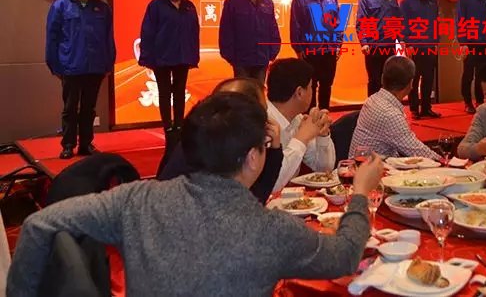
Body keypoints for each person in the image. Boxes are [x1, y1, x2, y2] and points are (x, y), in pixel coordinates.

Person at [7, 92, 384, 297]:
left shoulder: (137, 200)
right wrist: (360, 193)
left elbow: (39, 224)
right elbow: (345, 255)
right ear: (253, 157)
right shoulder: (270, 229)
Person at [158, 77, 283, 204]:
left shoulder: (212, 139)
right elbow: (249, 203)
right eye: (263, 111)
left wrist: (274, 151)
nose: (266, 120)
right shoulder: (210, 149)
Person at [45, 0, 116, 160]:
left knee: (89, 108)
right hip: (70, 65)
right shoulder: (60, 6)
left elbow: (108, 37)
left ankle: (86, 144)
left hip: (95, 65)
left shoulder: (102, 8)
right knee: (70, 108)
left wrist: (109, 62)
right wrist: (54, 65)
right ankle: (68, 145)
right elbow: (52, 37)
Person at [138, 0, 200, 134]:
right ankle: (167, 126)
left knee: (179, 92)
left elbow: (194, 33)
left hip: (182, 56)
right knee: (164, 93)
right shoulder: (156, 5)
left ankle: (179, 125)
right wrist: (147, 57)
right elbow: (147, 32)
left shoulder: (188, 6)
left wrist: (194, 56)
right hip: (161, 56)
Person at [349, 56, 440, 160]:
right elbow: (416, 151)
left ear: (382, 78)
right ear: (411, 83)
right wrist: (445, 162)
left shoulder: (372, 99)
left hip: (362, 164)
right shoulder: (390, 114)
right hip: (370, 167)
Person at [267, 58, 336, 192]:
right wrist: (301, 138)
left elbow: (324, 170)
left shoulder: (297, 119)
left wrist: (322, 135)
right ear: (299, 92)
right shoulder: (262, 122)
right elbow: (271, 184)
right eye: (311, 87)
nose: (313, 92)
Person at [290, 0, 343, 109]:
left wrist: (338, 44)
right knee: (310, 87)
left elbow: (337, 23)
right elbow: (295, 24)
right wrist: (298, 49)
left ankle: (324, 115)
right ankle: (310, 118)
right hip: (309, 50)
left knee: (327, 85)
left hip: (329, 49)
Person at [219, 0, 280, 84]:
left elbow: (273, 28)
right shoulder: (232, 2)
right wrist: (230, 56)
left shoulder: (267, 1)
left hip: (262, 58)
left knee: (258, 91)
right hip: (241, 59)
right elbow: (226, 31)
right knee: (243, 91)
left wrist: (273, 51)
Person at [400, 0, 441, 119]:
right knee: (414, 78)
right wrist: (408, 43)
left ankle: (426, 108)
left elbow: (436, 23)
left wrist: (436, 41)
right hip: (414, 45)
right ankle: (414, 109)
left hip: (430, 45)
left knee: (429, 78)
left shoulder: (432, 2)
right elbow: (403, 24)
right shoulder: (406, 2)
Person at [357, 0, 403, 96]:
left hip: (390, 45)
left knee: (390, 80)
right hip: (374, 46)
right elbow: (361, 22)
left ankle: (388, 107)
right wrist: (364, 42)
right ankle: (372, 107)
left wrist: (401, 40)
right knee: (375, 80)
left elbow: (398, 20)